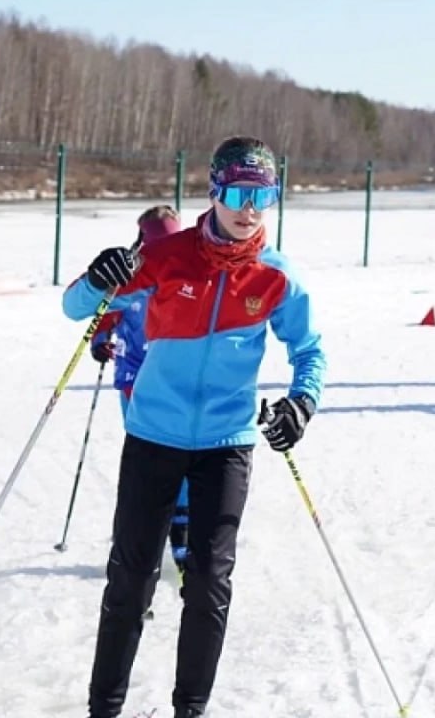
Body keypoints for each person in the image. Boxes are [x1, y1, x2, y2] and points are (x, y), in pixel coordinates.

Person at [65, 135, 327, 718]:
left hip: (224, 445)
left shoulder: (276, 276)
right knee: (130, 583)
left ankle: (191, 709)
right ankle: (103, 708)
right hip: (153, 435)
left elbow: (310, 351)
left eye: (265, 196)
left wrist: (300, 404)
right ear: (214, 190)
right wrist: (97, 277)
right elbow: (75, 309)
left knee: (208, 585)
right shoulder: (165, 256)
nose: (250, 209)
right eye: (238, 192)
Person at [82, 205, 191, 577]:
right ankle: (135, 541)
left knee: (182, 455)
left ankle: (183, 530)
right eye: (156, 243)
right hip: (134, 378)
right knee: (147, 459)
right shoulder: (131, 274)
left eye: (171, 241)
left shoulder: (186, 267)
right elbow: (106, 313)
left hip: (176, 378)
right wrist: (100, 341)